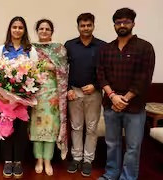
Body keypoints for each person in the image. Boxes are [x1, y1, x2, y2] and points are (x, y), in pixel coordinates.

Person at [97, 8, 155, 180]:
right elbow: (101, 74)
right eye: (118, 22)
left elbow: (144, 77)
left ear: (133, 24)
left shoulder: (145, 47)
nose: (122, 25)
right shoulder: (106, 49)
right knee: (112, 144)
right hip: (111, 105)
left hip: (135, 107)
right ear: (114, 25)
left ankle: (128, 177)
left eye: (126, 22)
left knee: (133, 146)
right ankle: (111, 173)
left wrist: (125, 98)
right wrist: (113, 96)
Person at [0, 16, 38, 179]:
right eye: (14, 27)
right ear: (10, 29)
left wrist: (24, 96)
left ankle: (18, 161)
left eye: (20, 27)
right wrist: (1, 95)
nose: (17, 30)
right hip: (4, 100)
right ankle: (7, 161)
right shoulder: (0, 49)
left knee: (20, 132)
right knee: (6, 130)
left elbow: (35, 75)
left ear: (24, 30)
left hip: (23, 101)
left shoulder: (30, 50)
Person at [65, 13, 106, 177]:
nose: (86, 28)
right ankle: (76, 158)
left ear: (93, 26)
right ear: (78, 27)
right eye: (82, 25)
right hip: (74, 92)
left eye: (89, 25)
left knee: (91, 128)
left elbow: (106, 71)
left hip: (94, 93)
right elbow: (63, 71)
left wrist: (96, 86)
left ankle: (88, 160)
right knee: (76, 127)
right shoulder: (70, 45)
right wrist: (68, 88)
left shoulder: (103, 46)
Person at [30, 19, 68, 176]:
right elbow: (26, 67)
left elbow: (63, 69)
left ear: (52, 32)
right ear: (37, 31)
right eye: (41, 29)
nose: (44, 31)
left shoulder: (59, 49)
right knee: (36, 129)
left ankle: (48, 160)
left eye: (47, 29)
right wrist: (46, 66)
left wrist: (43, 65)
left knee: (51, 130)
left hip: (53, 97)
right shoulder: (31, 48)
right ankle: (38, 160)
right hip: (35, 95)